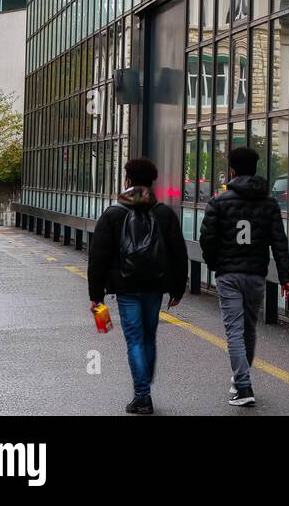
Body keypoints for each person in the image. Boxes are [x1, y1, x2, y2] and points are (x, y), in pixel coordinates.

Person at [87, 158, 188, 415]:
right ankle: (145, 384)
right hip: (155, 285)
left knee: (134, 339)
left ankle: (142, 395)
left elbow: (98, 257)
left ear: (128, 181)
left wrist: (96, 295)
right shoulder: (164, 214)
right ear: (152, 182)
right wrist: (177, 288)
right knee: (148, 336)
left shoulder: (113, 214)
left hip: (126, 286)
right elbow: (178, 252)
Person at [199, 146, 289, 407]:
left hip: (228, 274)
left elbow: (207, 239)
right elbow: (279, 242)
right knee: (248, 328)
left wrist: (215, 263)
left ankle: (242, 386)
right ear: (255, 170)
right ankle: (241, 379)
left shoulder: (218, 202)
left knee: (233, 330)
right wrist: (286, 276)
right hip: (255, 274)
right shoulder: (270, 203)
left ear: (232, 170)